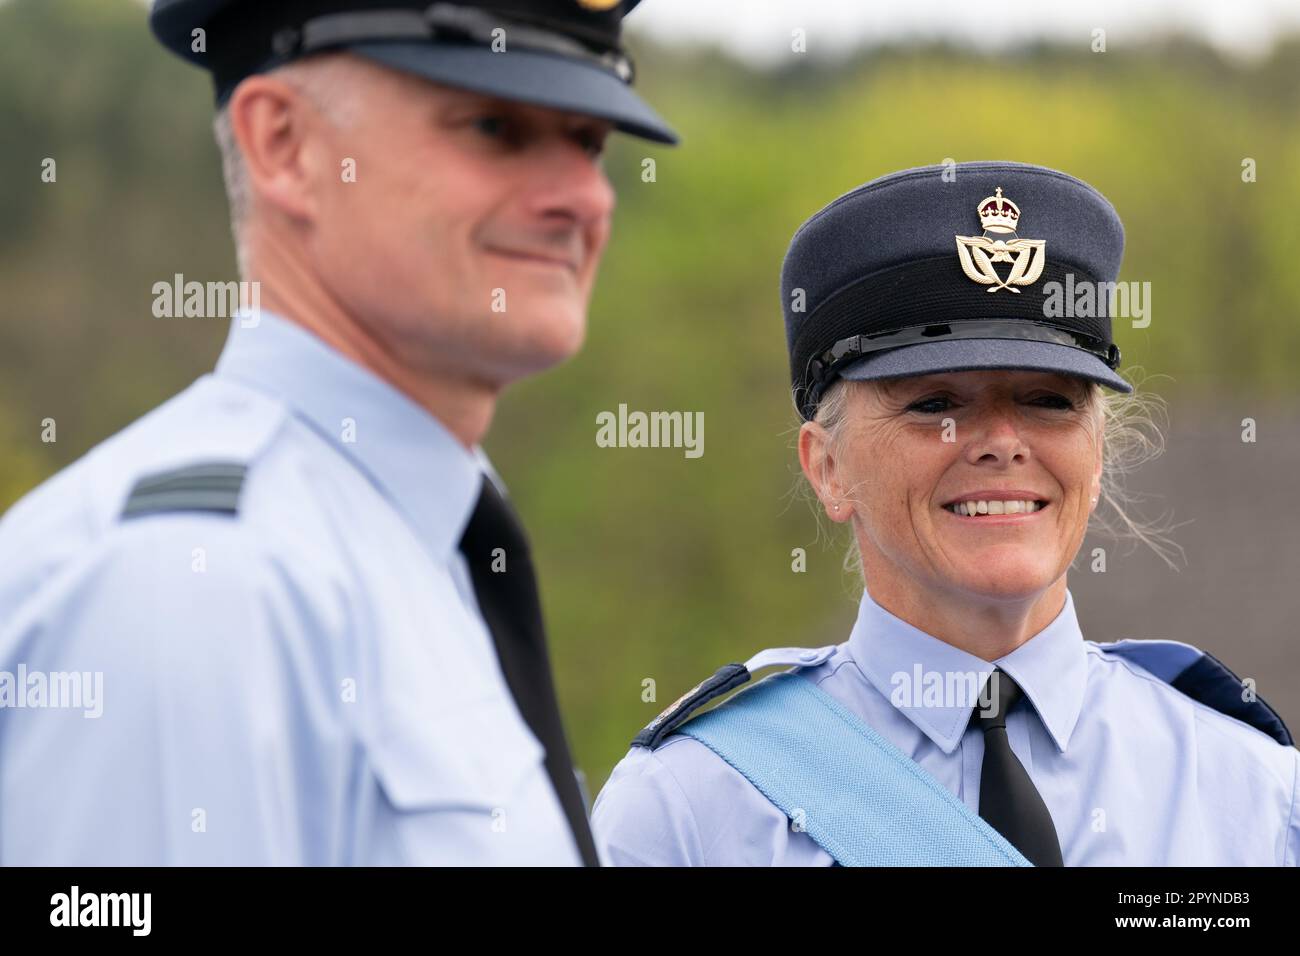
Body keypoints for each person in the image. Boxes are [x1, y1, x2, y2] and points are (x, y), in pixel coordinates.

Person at [0, 0, 677, 865]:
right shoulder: (197, 583)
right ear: (283, 145)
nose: (582, 197)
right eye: (495, 127)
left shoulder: (413, 546)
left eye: (588, 142)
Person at [591, 161, 1299, 866]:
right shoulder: (689, 808)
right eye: (934, 404)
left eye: (1049, 401)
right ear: (827, 467)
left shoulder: (1252, 792)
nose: (998, 443)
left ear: (1100, 453)